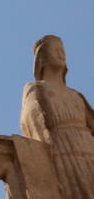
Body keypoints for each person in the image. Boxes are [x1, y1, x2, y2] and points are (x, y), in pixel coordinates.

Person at [22, 36, 94, 199]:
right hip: (62, 145)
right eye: (56, 50)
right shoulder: (35, 88)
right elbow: (32, 118)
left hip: (88, 144)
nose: (61, 54)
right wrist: (45, 146)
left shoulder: (76, 95)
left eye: (62, 51)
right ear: (43, 57)